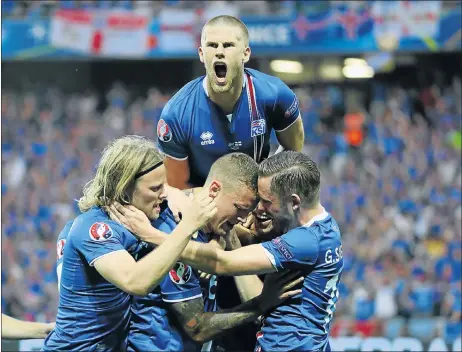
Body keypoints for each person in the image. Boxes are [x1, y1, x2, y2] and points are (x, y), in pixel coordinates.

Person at [110, 151, 344, 352]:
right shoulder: (325, 229)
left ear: (294, 202)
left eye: (265, 202)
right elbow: (199, 326)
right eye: (244, 208)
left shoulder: (303, 241)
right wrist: (172, 194)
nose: (254, 214)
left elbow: (222, 261)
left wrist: (159, 237)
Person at [44, 136, 217, 351]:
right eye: (155, 188)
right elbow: (135, 282)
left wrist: (217, 240)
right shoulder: (93, 229)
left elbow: (217, 193)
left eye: (164, 185)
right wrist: (186, 227)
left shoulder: (140, 219)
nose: (163, 194)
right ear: (125, 187)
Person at [158, 15, 305, 191]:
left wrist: (264, 186)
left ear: (246, 53)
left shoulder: (275, 94)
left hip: (256, 201)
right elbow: (175, 190)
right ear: (201, 54)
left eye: (228, 45)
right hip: (201, 205)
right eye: (212, 45)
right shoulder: (176, 113)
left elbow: (294, 149)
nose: (219, 51)